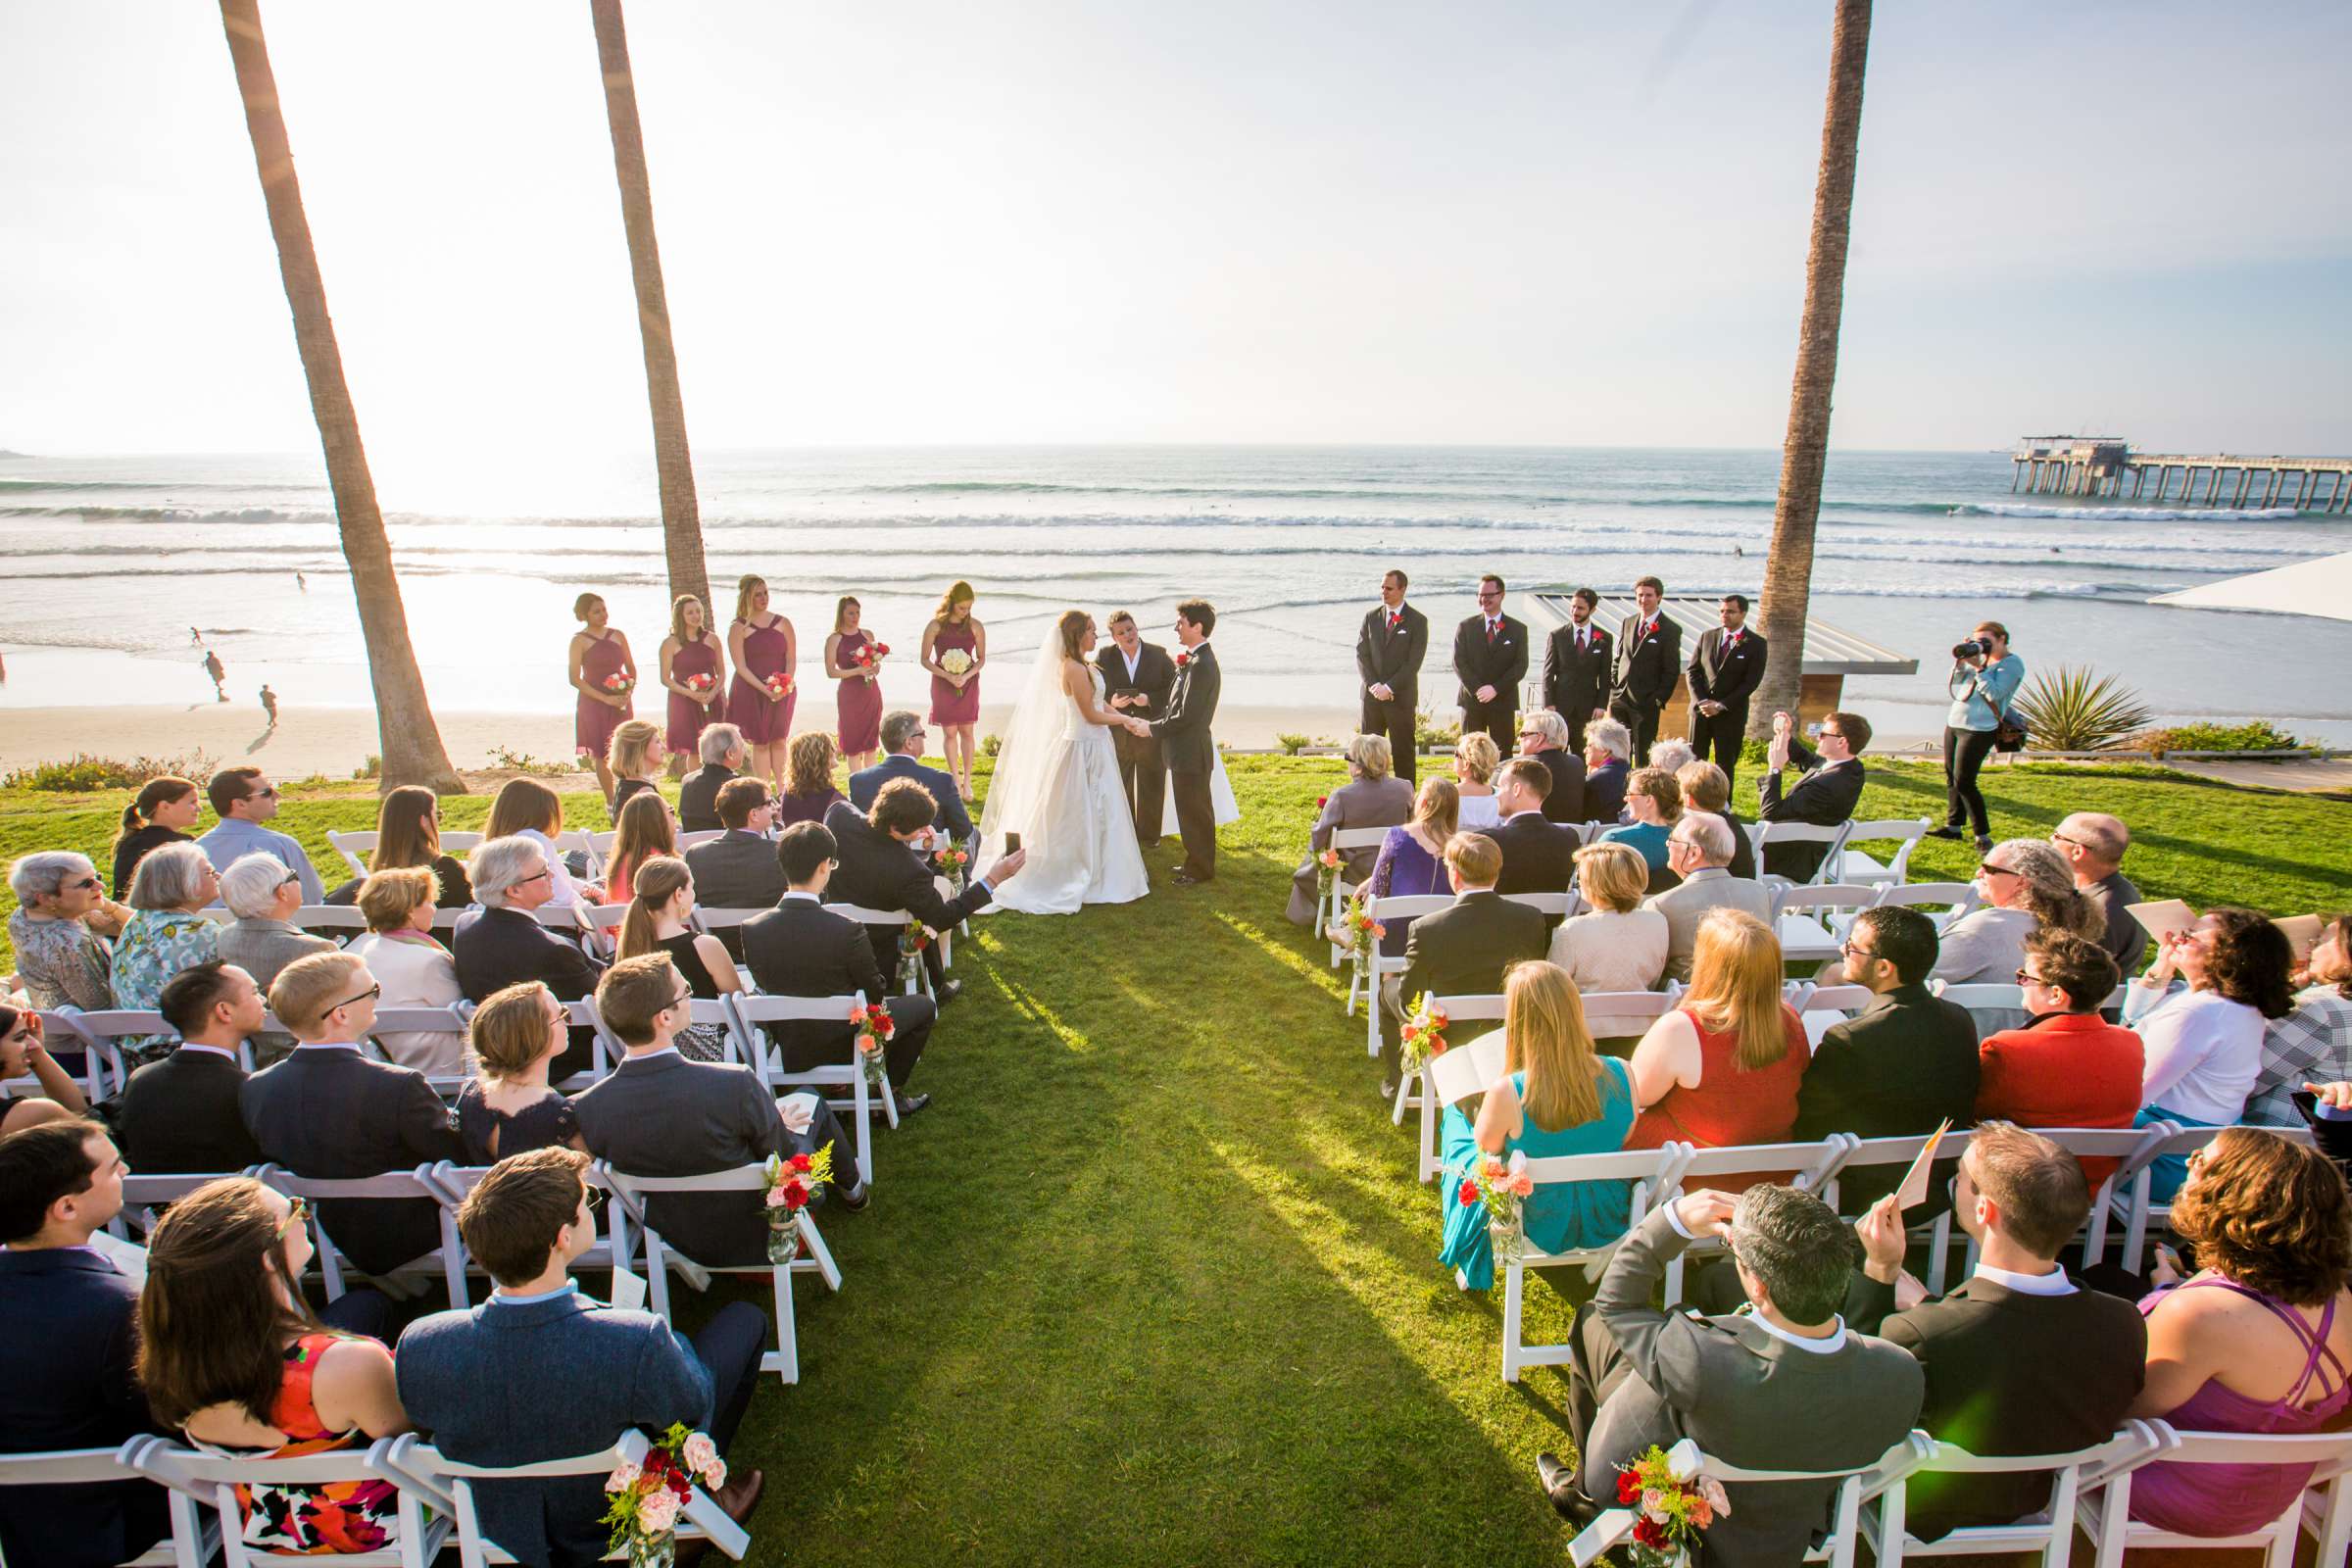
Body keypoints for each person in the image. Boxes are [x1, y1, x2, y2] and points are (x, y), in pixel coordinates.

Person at [394, 1148, 765, 1567]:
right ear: (561, 1238)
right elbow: (692, 1407)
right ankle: (698, 1503)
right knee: (745, 1322)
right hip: (605, 1519)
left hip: (500, 1528)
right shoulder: (636, 1339)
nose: (591, 1208)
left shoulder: (421, 1345)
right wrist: (668, 1339)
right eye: (585, 1202)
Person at [1538, 1182, 1925, 1558]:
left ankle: (1583, 1494)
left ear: (1757, 1287)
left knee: (1592, 1322)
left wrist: (1672, 1220)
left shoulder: (1699, 1360)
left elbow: (1617, 1304)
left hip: (1689, 1494)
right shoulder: (1900, 1376)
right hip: (1786, 1525)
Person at [1844, 1125, 2148, 1541]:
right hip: (2032, 1498)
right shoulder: (2125, 1323)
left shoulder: (1923, 1333)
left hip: (1921, 1509)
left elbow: (1856, 1393)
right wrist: (1932, 1306)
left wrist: (1879, 1272)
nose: (1955, 1187)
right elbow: (2021, 1347)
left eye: (1961, 1181)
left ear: (1986, 1210)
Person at [136, 1177, 407, 1554]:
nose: (305, 1216)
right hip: (367, 1532)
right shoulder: (345, 1364)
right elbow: (413, 1440)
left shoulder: (175, 1363)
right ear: (267, 1258)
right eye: (295, 1211)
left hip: (269, 1531)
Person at [2124, 1129, 2352, 1538]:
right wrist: (2167, 1290)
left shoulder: (2199, 1313)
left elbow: (2126, 1410)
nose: (2191, 1160)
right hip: (2270, 1496)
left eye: (2203, 1160)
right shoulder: (2342, 1300)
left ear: (2233, 1198)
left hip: (2178, 1495)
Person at [572, 955, 866, 1266]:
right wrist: (780, 1125)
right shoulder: (734, 1083)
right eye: (685, 989)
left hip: (678, 1236)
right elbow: (783, 1160)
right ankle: (855, 1193)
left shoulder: (588, 1108)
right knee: (809, 1100)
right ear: (664, 1018)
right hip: (760, 1225)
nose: (690, 995)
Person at [0, 1119, 166, 1568]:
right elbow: (168, 1419)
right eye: (113, 1169)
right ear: (67, 1207)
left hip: (14, 1523)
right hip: (111, 1520)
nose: (127, 1171)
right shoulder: (121, 1306)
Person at [240, 953, 464, 1276]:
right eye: (372, 991)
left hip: (323, 1233)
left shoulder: (256, 1089)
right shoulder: (398, 1085)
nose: (376, 997)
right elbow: (456, 1157)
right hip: (416, 1232)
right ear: (341, 1014)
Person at [1438, 962, 1638, 1289]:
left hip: (1541, 1219)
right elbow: (1627, 1134)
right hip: (1607, 1216)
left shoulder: (1509, 1091)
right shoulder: (1623, 1073)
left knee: (1454, 1124)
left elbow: (1486, 1148)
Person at [1792, 906, 1981, 1210]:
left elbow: (1805, 1122)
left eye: (1853, 947)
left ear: (1884, 968)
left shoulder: (1851, 1039)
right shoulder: (1960, 1020)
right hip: (1936, 1185)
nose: (1844, 950)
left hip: (1857, 1193)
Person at [742, 821, 936, 1112]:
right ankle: (890, 1093)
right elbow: (875, 994)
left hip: (792, 1044)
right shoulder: (848, 930)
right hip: (845, 1043)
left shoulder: (752, 929)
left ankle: (847, 1088)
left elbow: (764, 980)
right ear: (823, 866)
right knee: (923, 1007)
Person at [976, 610, 1150, 912]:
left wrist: (1123, 716)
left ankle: (1106, 867)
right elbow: (1090, 715)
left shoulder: (1085, 665)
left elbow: (1100, 702)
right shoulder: (1072, 668)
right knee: (1077, 813)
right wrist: (1124, 720)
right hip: (1082, 749)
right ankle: (1079, 869)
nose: (1096, 635)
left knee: (1105, 809)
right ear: (1077, 634)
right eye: (1092, 630)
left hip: (1097, 745)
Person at [1626, 909, 1809, 1184]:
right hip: (1772, 1168)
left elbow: (1638, 1095)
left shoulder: (1681, 1029)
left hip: (1696, 1170)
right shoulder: (1791, 1018)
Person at [2126, 907, 2295, 1198]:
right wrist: (2161, 967)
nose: (2178, 938)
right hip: (2201, 1154)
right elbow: (2133, 1018)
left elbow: (2130, 1092)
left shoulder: (2200, 1013)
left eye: (2191, 935)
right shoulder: (2234, 1007)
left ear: (2226, 956)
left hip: (2160, 1160)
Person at [1381, 833, 1544, 1095]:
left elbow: (1410, 998)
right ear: (1496, 874)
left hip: (1448, 1033)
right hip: (1506, 1028)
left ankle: (1400, 1084)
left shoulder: (1427, 928)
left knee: (1387, 991)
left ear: (1455, 875)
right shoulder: (1531, 919)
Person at [1976, 931, 2140, 1185]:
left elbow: (1974, 1112)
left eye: (2025, 977)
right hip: (2095, 1184)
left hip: (2022, 1185)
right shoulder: (2130, 1043)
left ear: (2055, 994)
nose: (2020, 983)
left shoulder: (2008, 1049)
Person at [831, 782, 1024, 994]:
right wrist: (993, 879)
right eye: (919, 827)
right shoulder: (910, 871)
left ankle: (938, 981)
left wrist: (914, 843)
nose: (925, 830)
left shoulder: (838, 816)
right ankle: (937, 984)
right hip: (884, 941)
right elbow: (942, 917)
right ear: (895, 828)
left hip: (837, 929)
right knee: (931, 906)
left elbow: (872, 849)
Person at [453, 835, 604, 1081]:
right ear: (513, 890)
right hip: (557, 1057)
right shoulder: (552, 950)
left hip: (495, 1052)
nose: (552, 875)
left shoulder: (465, 928)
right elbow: (606, 1002)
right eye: (543, 872)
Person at [1931, 838, 2099, 1034]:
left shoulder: (1986, 928)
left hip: (1965, 1041)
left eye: (1989, 869)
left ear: (2021, 881)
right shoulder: (2069, 931)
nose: (1979, 873)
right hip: (2028, 1042)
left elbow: (1915, 974)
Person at [115, 961, 267, 1172]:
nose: (263, 1000)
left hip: (154, 1204)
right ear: (224, 1011)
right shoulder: (248, 1088)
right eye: (255, 992)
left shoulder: (139, 1080)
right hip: (228, 1202)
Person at [344, 866, 466, 1074]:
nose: (434, 909)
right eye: (429, 902)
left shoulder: (364, 951)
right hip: (442, 1067)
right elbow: (463, 1014)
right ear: (410, 911)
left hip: (388, 1062)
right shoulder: (431, 961)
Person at [108, 843, 221, 1064]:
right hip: (188, 1052)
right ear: (181, 882)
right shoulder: (199, 930)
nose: (218, 875)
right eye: (208, 872)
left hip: (133, 1055)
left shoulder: (137, 921)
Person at [614, 856, 735, 1061]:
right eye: (691, 888)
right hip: (713, 1056)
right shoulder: (705, 946)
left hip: (651, 1057)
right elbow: (737, 1006)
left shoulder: (627, 949)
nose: (694, 894)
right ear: (678, 894)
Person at [1284, 733, 1412, 926]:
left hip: (1353, 870)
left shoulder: (1342, 796)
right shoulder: (1405, 789)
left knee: (1313, 858)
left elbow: (1319, 839)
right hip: (1393, 867)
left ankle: (1302, 915)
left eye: (1348, 758)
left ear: (1359, 764)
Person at [1144, 600, 1226, 886]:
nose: (1176, 627)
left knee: (1196, 813)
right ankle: (1194, 862)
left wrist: (1151, 729)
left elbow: (1186, 716)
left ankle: (1201, 870)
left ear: (1197, 626)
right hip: (1183, 752)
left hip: (1191, 751)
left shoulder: (1203, 665)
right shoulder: (1193, 660)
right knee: (1189, 811)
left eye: (1180, 622)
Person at [456, 983, 584, 1163]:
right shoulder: (561, 1114)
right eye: (561, 1015)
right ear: (535, 1035)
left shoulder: (471, 1095)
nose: (567, 1021)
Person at [1642, 811, 1771, 982]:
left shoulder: (1662, 905)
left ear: (1694, 853)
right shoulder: (1759, 891)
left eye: (1672, 840)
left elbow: (1652, 975)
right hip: (1753, 993)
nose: (1667, 844)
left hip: (1689, 1000)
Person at [2250, 917, 2352, 1126]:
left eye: (2321, 941)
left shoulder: (2318, 1008)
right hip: (2331, 1141)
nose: (2309, 948)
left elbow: (2247, 1079)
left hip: (2279, 1139)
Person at [1932, 620, 2024, 852]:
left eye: (1986, 641)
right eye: (1977, 641)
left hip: (1980, 728)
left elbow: (1995, 693)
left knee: (1965, 781)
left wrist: (1980, 669)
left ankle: (1982, 835)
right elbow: (1957, 683)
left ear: (2002, 639)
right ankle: (1953, 827)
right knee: (1952, 777)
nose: (1981, 645)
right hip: (1955, 723)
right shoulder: (1981, 661)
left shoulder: (2011, 665)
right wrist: (1963, 662)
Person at [1756, 709, 1870, 882]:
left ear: (1841, 742)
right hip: (1795, 846)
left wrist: (1775, 768)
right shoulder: (1851, 767)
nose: (1818, 737)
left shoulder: (1828, 785)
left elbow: (1771, 812)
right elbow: (1808, 760)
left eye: (1823, 734)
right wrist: (1784, 734)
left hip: (1787, 858)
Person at [8, 850, 127, 1012]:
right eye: (87, 883)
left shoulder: (23, 915)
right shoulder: (68, 944)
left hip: (50, 1018)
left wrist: (108, 905)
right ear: (46, 898)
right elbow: (103, 1008)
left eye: (97, 877)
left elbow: (132, 923)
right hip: (87, 1032)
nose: (100, 886)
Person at [322, 783, 473, 908]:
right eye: (437, 815)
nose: (438, 821)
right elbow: (474, 909)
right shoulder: (444, 868)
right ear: (424, 820)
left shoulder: (378, 878)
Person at [1099, 609, 1178, 845]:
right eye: (1121, 632)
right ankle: (1125, 836)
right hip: (1118, 733)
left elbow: (1173, 690)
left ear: (1137, 628)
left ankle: (1150, 837)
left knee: (1152, 784)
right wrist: (1111, 701)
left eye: (1130, 629)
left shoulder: (1158, 654)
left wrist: (1149, 699)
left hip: (1149, 731)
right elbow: (1094, 688)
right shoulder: (1104, 656)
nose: (1127, 635)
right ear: (1114, 638)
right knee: (1120, 786)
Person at [1548, 842, 1669, 996]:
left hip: (1582, 1017)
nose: (1578, 880)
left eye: (1581, 875)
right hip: (1646, 1018)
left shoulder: (1573, 929)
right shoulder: (1657, 922)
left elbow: (1554, 986)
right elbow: (1654, 981)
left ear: (1593, 882)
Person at [1362, 777, 1460, 965]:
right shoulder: (1460, 845)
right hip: (1443, 935)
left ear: (1423, 803)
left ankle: (1387, 979)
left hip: (1397, 937)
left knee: (1378, 908)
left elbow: (1378, 890)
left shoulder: (1397, 835)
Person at [196, 765, 324, 902]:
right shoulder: (281, 844)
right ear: (240, 804)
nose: (277, 795)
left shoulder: (196, 850)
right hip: (279, 921)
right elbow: (312, 899)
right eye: (266, 792)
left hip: (213, 922)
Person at [216, 851, 336, 993]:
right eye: (293, 875)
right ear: (282, 892)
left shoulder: (224, 936)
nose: (298, 880)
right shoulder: (315, 949)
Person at [851, 710, 975, 844]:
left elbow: (857, 831)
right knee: (974, 836)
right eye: (922, 734)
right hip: (928, 862)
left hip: (875, 861)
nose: (925, 737)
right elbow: (962, 831)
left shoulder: (858, 781)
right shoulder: (942, 780)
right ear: (909, 743)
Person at [1685, 593, 1767, 788]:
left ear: (1743, 613)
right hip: (1700, 712)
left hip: (1730, 714)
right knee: (1695, 762)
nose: (1725, 615)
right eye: (1722, 611)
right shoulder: (1708, 636)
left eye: (1730, 611)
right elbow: (1693, 671)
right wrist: (1701, 701)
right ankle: (1691, 800)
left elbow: (1750, 682)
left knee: (1725, 765)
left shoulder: (1756, 644)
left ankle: (1724, 808)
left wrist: (1721, 705)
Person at [1356, 568, 1429, 786]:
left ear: (1402, 589)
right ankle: (1367, 795)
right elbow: (1362, 654)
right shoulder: (1371, 618)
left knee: (1403, 752)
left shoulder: (1418, 621)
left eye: (1389, 588)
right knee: (1368, 751)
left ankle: (1406, 800)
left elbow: (1413, 662)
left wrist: (1390, 687)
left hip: (1401, 698)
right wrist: (1374, 685)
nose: (1383, 592)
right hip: (1372, 697)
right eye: (1382, 587)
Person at [2050, 810, 2147, 974]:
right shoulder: (2110, 889)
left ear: (2078, 852)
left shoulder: (2103, 911)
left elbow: (2074, 974)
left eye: (2057, 836)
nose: (2051, 839)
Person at [723, 574, 796, 791]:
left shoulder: (783, 623)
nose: (764, 598)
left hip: (782, 689)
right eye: (758, 595)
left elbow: (791, 658)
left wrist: (784, 684)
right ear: (747, 597)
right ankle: (764, 791)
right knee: (761, 743)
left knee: (780, 740)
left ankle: (783, 792)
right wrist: (764, 689)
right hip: (751, 690)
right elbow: (740, 666)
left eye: (765, 592)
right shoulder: (738, 627)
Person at [1473, 758, 1580, 903]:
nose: (1497, 795)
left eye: (1500, 787)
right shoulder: (1569, 838)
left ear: (1516, 790)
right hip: (1551, 923)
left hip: (1504, 923)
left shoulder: (1488, 841)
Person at [569, 592, 637, 805]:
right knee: (602, 752)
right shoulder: (579, 640)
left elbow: (631, 667)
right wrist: (605, 699)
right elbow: (574, 678)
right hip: (594, 703)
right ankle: (611, 802)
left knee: (626, 748)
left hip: (621, 700)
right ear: (585, 615)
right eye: (596, 611)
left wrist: (627, 692)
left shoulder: (618, 635)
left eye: (604, 609)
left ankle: (629, 796)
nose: (603, 614)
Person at [684, 776, 787, 915]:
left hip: (716, 934)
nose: (775, 807)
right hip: (769, 934)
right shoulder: (781, 853)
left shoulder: (696, 855)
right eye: (769, 803)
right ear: (754, 814)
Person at [921, 580, 986, 801]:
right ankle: (955, 781)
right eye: (962, 608)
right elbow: (925, 659)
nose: (966, 612)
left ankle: (967, 782)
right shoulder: (935, 626)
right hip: (943, 682)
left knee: (967, 731)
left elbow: (981, 659)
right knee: (950, 732)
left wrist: (965, 676)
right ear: (951, 603)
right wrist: (948, 675)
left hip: (968, 682)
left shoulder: (976, 626)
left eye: (969, 607)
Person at [484, 776, 589, 907]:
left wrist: (586, 888)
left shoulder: (492, 849)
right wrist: (585, 901)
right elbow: (561, 897)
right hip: (556, 920)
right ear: (542, 814)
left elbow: (554, 880)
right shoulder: (534, 841)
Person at [1451, 573, 1527, 754]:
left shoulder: (1518, 629)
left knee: (1502, 752)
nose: (1484, 599)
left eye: (1489, 595)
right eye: (1480, 595)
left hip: (1502, 700)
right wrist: (1478, 689)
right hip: (1472, 700)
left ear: (1502, 595)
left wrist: (1495, 689)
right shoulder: (1466, 626)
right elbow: (1458, 662)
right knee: (1469, 752)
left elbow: (1520, 665)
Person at [1608, 575, 1681, 766]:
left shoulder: (1670, 629)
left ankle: (1641, 789)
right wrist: (1614, 686)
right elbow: (1619, 657)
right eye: (1640, 595)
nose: (1643, 600)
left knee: (1642, 753)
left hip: (1646, 702)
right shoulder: (1628, 622)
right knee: (1618, 750)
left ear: (1659, 597)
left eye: (1649, 595)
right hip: (1620, 699)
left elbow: (1671, 670)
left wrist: (1658, 698)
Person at [660, 592, 729, 772]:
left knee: (718, 746)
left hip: (712, 698)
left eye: (698, 611)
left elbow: (721, 672)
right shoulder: (670, 643)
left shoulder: (712, 639)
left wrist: (713, 693)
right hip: (684, 702)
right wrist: (692, 694)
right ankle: (696, 787)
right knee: (694, 749)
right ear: (680, 616)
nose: (696, 615)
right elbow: (665, 678)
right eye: (690, 612)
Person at [1541, 586, 1613, 755]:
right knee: (1557, 753)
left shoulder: (1604, 638)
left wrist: (1601, 705)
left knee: (1584, 752)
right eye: (1573, 606)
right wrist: (1548, 703)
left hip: (1588, 708)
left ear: (1592, 609)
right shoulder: (1557, 635)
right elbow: (1548, 673)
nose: (1574, 611)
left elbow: (1605, 675)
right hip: (1560, 706)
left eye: (1580, 608)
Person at [0, 1004, 91, 1135]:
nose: (32, 1044)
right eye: (20, 1037)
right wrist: (39, 1055)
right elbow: (83, 1122)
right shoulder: (37, 1112)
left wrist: (38, 1053)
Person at [111, 774, 202, 898]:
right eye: (193, 802)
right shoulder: (183, 845)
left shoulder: (129, 841)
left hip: (128, 915)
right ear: (165, 806)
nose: (199, 808)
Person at [825, 594, 886, 770]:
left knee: (871, 744)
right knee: (852, 745)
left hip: (870, 692)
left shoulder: (867, 634)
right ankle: (856, 787)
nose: (855, 617)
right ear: (841, 614)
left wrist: (875, 668)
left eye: (858, 613)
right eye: (851, 613)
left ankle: (871, 786)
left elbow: (876, 663)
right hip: (849, 695)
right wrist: (857, 671)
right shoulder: (834, 639)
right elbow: (831, 672)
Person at [1673, 760, 1757, 881]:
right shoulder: (1730, 822)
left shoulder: (1702, 831)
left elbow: (1680, 874)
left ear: (1688, 799)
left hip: (1718, 895)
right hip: (1743, 892)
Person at [1598, 765, 1680, 889]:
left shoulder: (1614, 840)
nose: (1625, 798)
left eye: (1630, 793)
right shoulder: (1684, 845)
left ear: (1649, 800)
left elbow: (1591, 885)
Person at [602, 787, 675, 903]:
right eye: (671, 812)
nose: (674, 818)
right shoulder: (662, 867)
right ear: (658, 823)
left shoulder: (616, 866)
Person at [1518, 709, 1586, 823]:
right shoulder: (1577, 764)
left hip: (1530, 836)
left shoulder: (1518, 767)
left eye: (1523, 734)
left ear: (1539, 738)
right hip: (1571, 835)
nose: (1519, 739)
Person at [679, 721, 745, 833]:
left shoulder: (687, 780)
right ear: (730, 753)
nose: (744, 751)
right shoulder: (737, 786)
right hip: (728, 848)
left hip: (693, 845)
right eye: (742, 746)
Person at [776, 729, 845, 827]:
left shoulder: (789, 794)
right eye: (830, 748)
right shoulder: (833, 799)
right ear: (820, 757)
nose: (834, 750)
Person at [605, 718, 665, 820]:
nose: (664, 746)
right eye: (657, 742)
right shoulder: (645, 794)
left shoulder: (626, 785)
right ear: (640, 747)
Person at [1581, 716, 1633, 825]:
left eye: (1589, 745)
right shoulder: (1635, 778)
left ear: (1605, 751)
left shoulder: (1594, 781)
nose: (1584, 750)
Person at [1450, 732, 1501, 828]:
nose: (1454, 757)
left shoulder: (1445, 795)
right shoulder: (1501, 796)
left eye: (1457, 754)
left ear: (1467, 764)